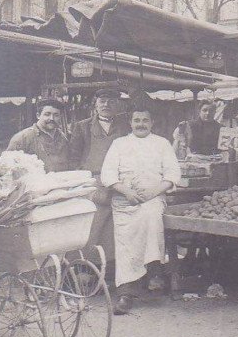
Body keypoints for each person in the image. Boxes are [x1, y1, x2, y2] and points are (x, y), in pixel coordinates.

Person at [101, 104, 181, 315]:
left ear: (152, 122)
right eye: (137, 120)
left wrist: (153, 192)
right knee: (126, 240)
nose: (141, 124)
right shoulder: (119, 144)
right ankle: (126, 292)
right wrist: (126, 192)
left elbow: (172, 175)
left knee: (151, 216)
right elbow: (107, 175)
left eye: (145, 120)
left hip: (153, 198)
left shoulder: (162, 144)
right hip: (124, 201)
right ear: (131, 123)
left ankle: (154, 272)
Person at [68, 88, 132, 259]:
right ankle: (83, 266)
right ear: (95, 104)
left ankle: (110, 265)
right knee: (92, 224)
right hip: (93, 181)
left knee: (114, 225)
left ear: (118, 104)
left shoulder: (126, 126)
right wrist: (84, 180)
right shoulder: (82, 126)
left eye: (111, 101)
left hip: (119, 181)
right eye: (102, 101)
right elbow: (74, 157)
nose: (106, 105)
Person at [6, 98, 71, 172]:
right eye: (47, 114)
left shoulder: (63, 138)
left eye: (56, 115)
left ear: (60, 117)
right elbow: (6, 166)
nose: (52, 118)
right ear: (38, 115)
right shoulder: (22, 138)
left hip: (61, 182)